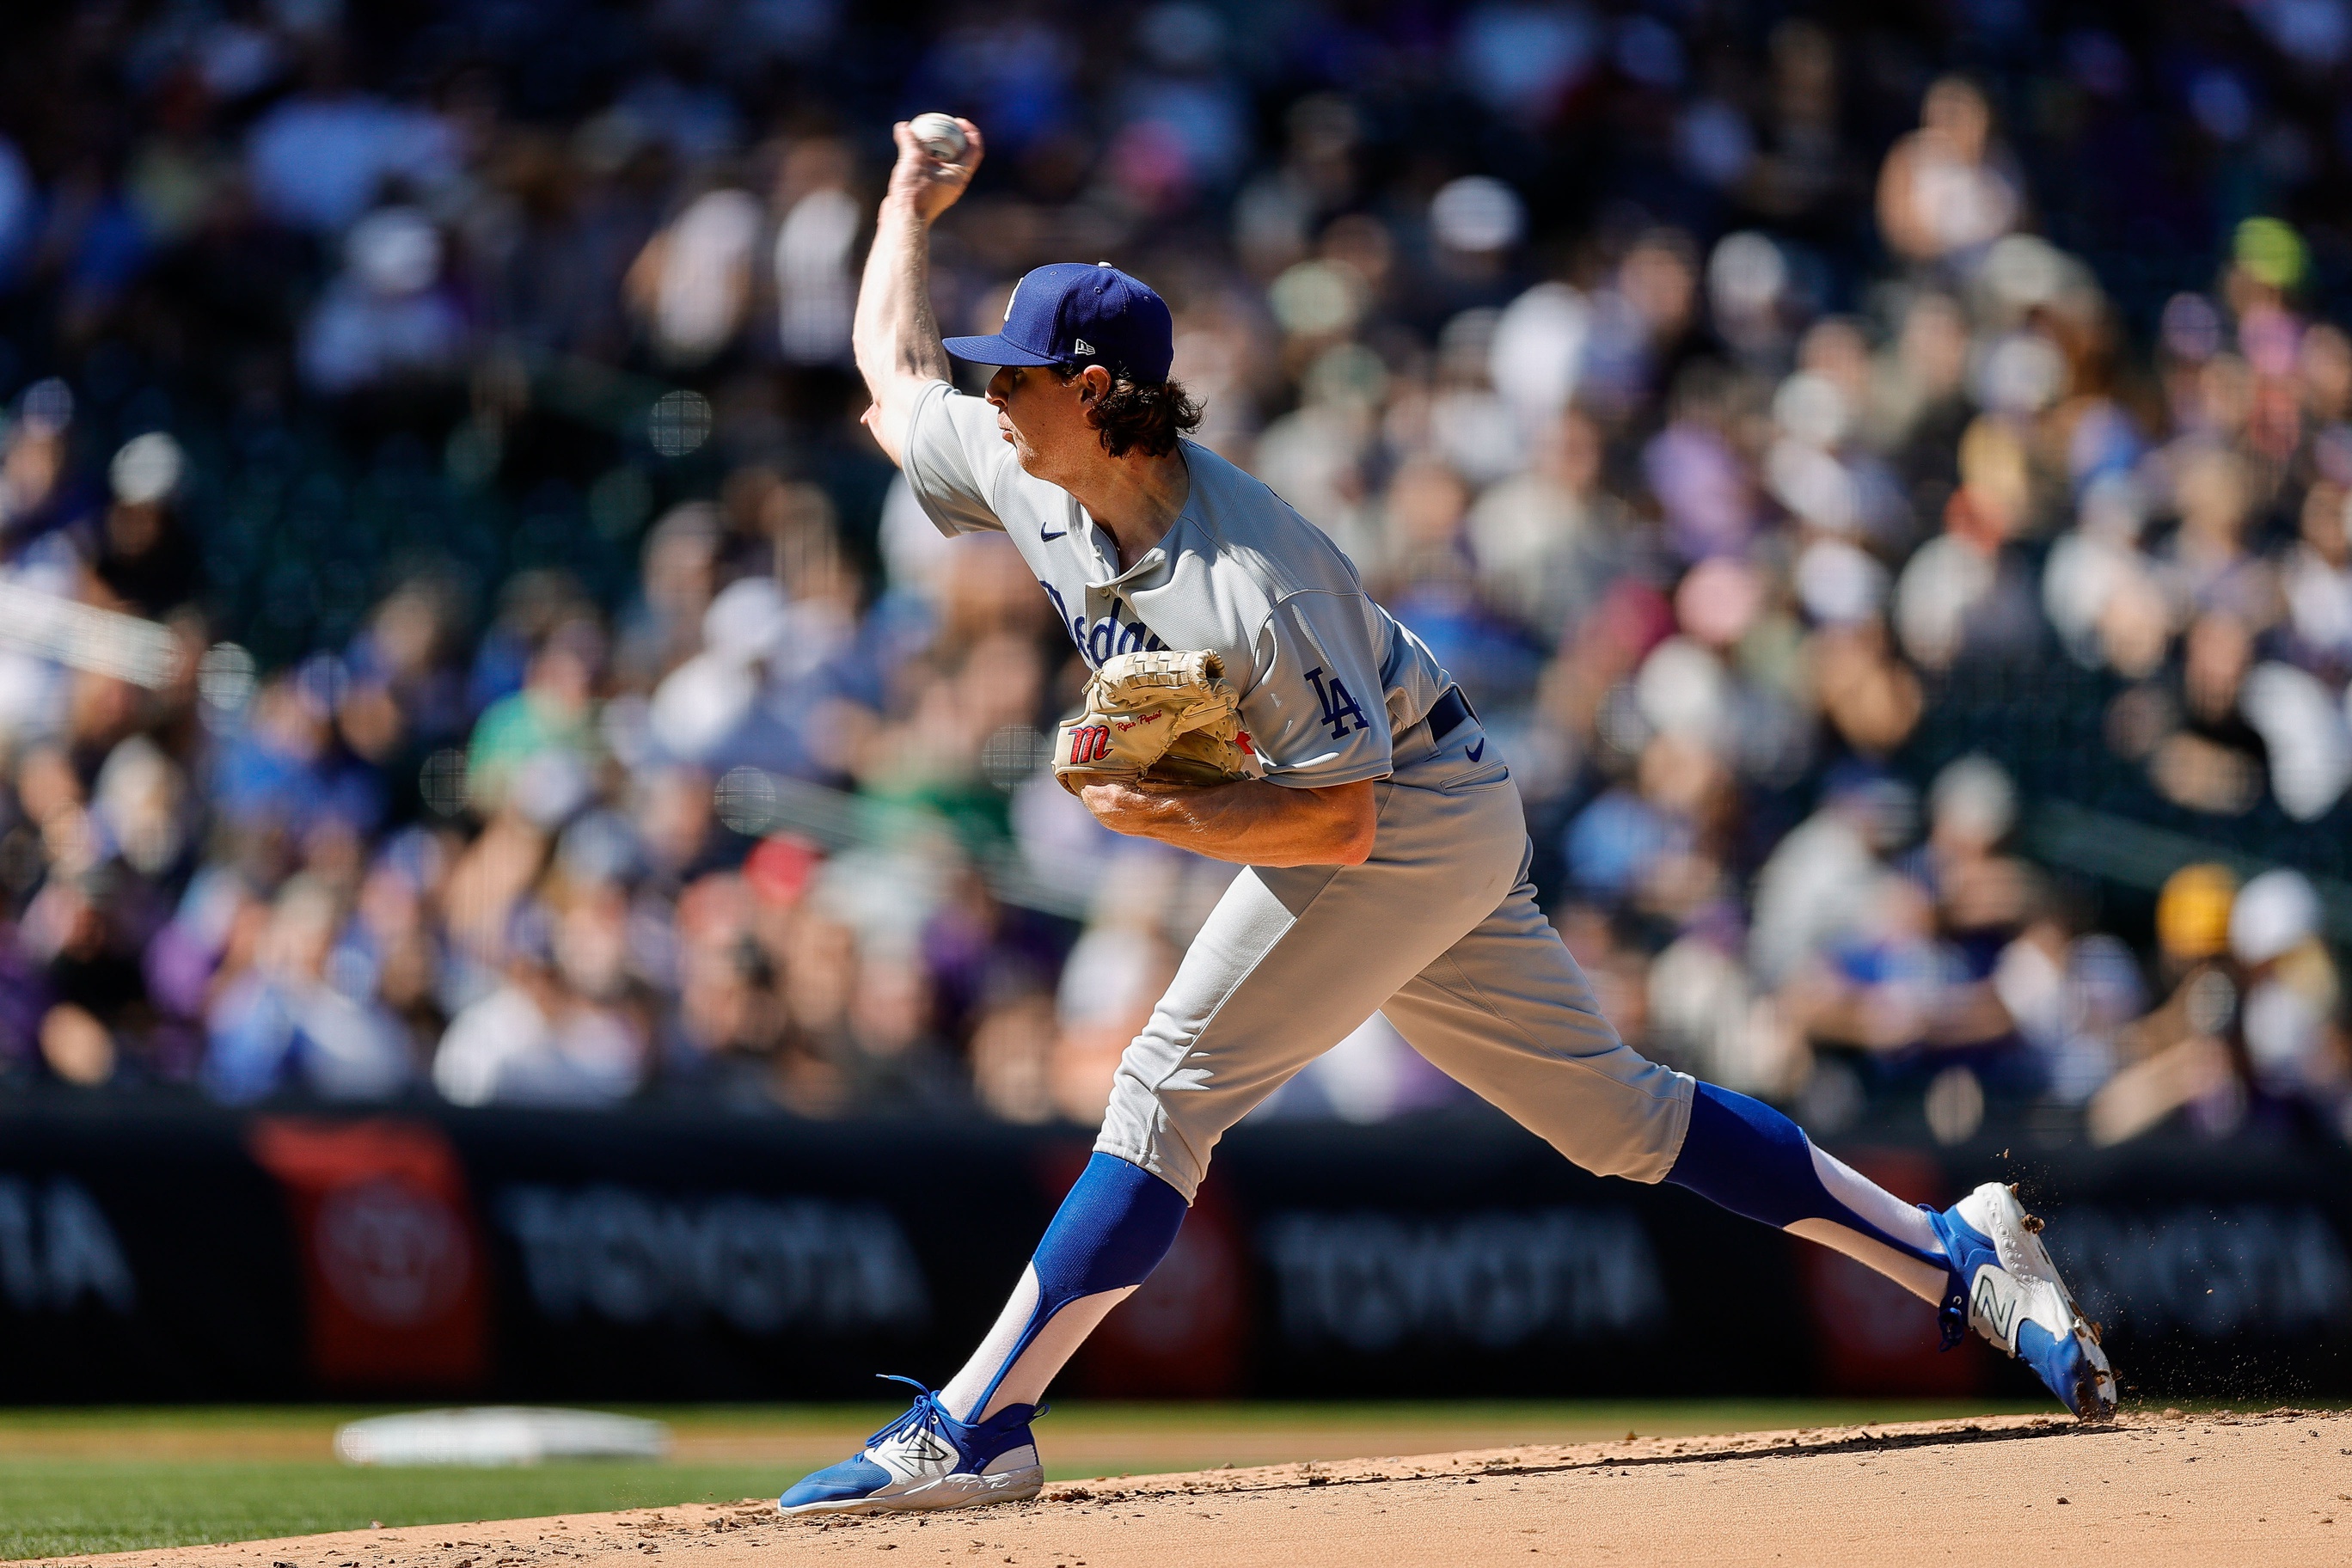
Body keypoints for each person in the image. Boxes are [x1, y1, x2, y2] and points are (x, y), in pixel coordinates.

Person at [778, 116, 2116, 1518]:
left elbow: (1345, 827)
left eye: (1024, 377)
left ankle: (981, 1423)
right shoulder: (1029, 469)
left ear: (1099, 391)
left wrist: (1164, 816)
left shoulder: (1253, 578)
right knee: (1618, 1118)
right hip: (1420, 798)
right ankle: (1958, 1254)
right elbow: (891, 379)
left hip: (1403, 809)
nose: (994, 398)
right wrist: (905, 203)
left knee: (1165, 1088)